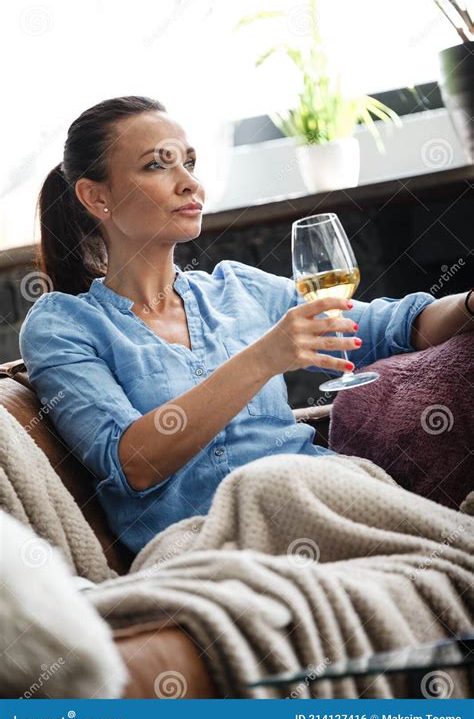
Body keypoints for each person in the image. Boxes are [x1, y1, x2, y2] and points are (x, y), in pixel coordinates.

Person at [19, 95, 474, 557]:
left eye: (190, 163)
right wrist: (263, 358)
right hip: (199, 544)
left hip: (317, 495)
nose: (189, 183)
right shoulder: (63, 325)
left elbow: (390, 328)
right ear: (97, 197)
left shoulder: (240, 288)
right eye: (158, 165)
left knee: (444, 553)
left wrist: (470, 303)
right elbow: (133, 464)